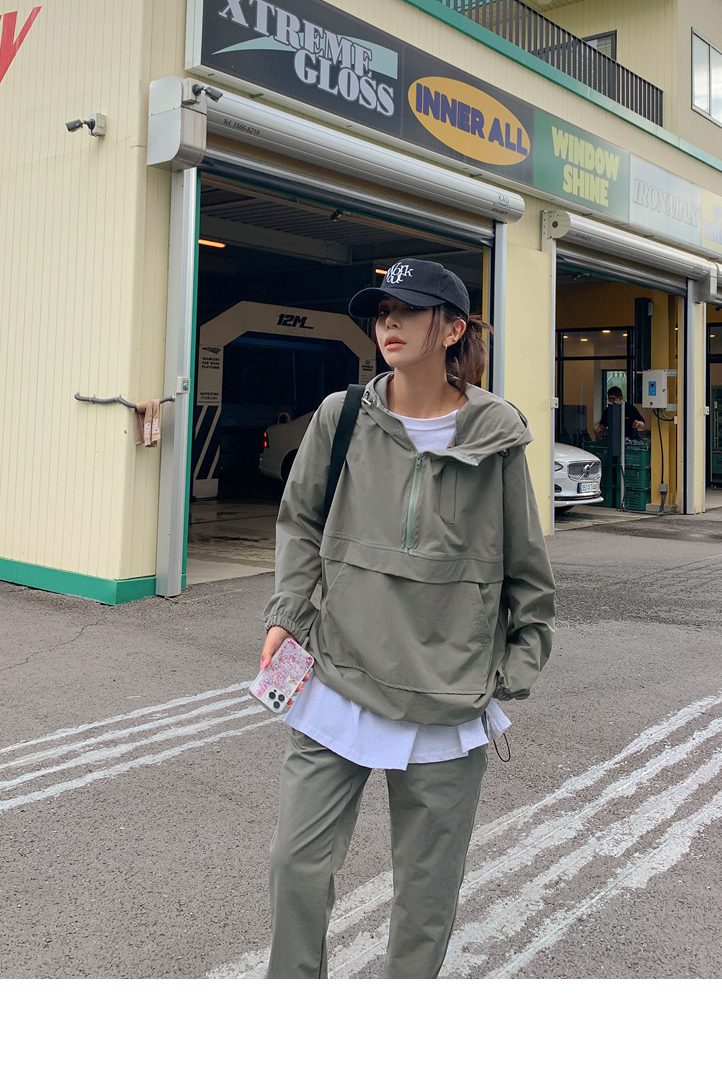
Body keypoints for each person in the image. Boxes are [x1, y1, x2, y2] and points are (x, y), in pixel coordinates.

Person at [259, 258, 556, 980]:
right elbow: (300, 523)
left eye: (409, 310)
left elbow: (526, 565)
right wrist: (287, 615)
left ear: (452, 330)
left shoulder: (495, 435)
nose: (389, 323)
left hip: (447, 695)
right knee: (296, 865)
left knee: (425, 896)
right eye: (382, 311)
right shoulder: (341, 418)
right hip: (337, 673)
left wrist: (510, 669)